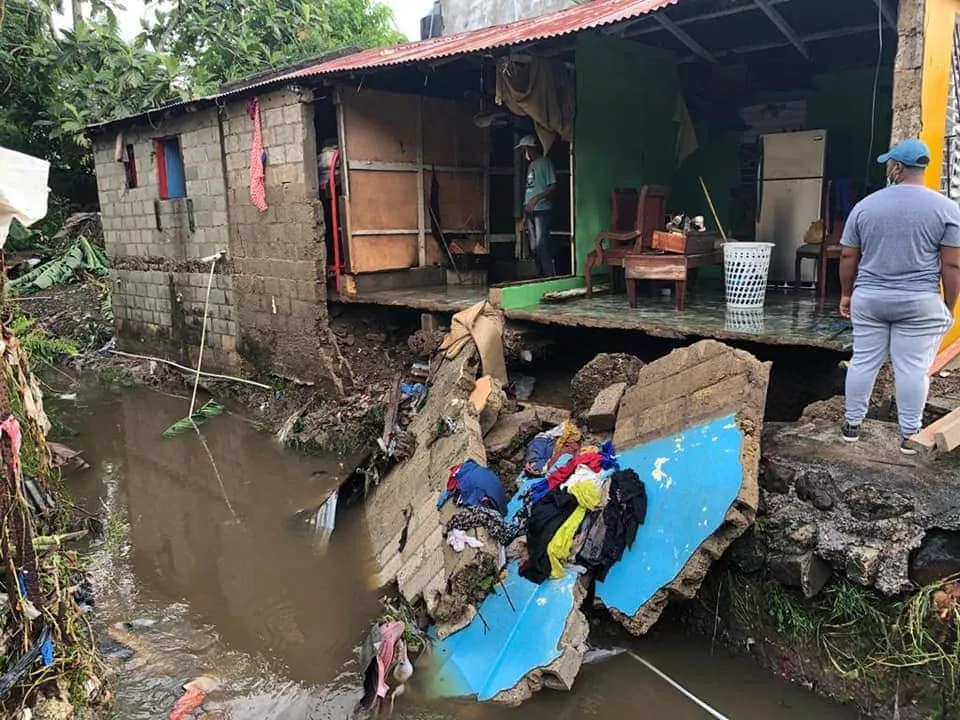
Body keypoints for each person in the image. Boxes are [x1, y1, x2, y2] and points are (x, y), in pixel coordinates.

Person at [839, 138, 960, 454]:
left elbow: (848, 257)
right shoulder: (946, 208)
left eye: (889, 164)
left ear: (897, 167)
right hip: (919, 302)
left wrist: (846, 294)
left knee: (864, 361)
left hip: (870, 298)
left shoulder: (865, 206)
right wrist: (948, 304)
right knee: (912, 369)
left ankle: (852, 426)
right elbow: (952, 263)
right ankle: (910, 434)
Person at [517, 135, 557, 277]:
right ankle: (540, 275)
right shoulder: (531, 166)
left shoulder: (545, 162)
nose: (523, 154)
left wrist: (537, 198)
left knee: (541, 244)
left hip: (542, 209)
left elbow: (553, 185)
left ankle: (549, 275)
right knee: (534, 247)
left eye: (523, 150)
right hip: (530, 212)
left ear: (530, 149)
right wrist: (524, 216)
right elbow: (530, 190)